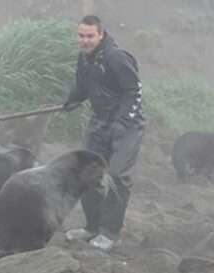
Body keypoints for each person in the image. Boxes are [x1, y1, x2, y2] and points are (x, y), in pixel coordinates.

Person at [63, 15, 145, 251]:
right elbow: (83, 86)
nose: (85, 41)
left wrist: (122, 121)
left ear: (101, 35)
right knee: (87, 171)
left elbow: (134, 91)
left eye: (90, 36)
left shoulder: (116, 57)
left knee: (117, 176)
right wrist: (73, 98)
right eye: (81, 36)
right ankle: (91, 227)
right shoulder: (84, 59)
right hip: (99, 122)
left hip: (127, 125)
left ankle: (109, 233)